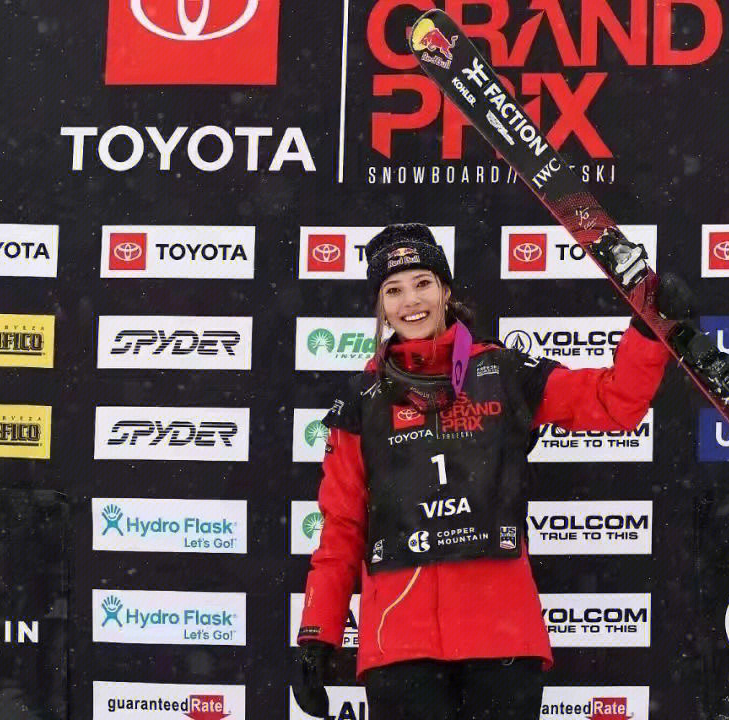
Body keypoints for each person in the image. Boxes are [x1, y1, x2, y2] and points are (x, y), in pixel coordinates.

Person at [291, 223, 694, 720]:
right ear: (381, 306)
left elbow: (612, 402)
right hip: (399, 644)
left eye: (422, 283)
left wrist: (649, 332)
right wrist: (317, 636)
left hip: (501, 636)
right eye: (393, 290)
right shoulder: (362, 399)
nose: (410, 301)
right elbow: (342, 529)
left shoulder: (502, 372)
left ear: (445, 291)